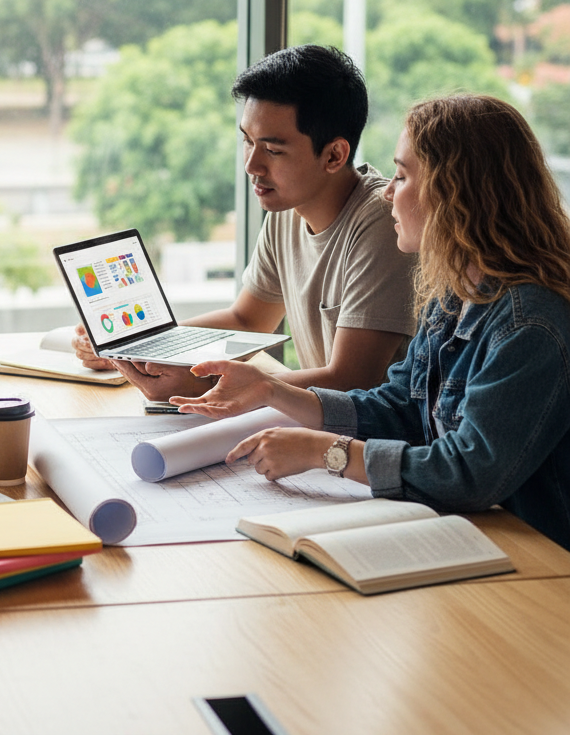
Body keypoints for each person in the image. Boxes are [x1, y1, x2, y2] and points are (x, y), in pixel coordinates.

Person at [190, 95, 570, 551]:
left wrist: (322, 453)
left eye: (404, 176)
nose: (388, 191)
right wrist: (273, 391)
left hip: (538, 562)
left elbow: (469, 473)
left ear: (456, 194)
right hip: (474, 538)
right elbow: (399, 407)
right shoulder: (454, 295)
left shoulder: (531, 325)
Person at [74, 44, 417, 400]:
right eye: (247, 141)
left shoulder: (382, 222)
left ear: (334, 155)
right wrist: (138, 347)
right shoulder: (288, 209)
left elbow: (351, 380)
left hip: (369, 441)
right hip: (319, 426)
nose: (252, 166)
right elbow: (248, 321)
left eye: (272, 150)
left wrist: (213, 385)